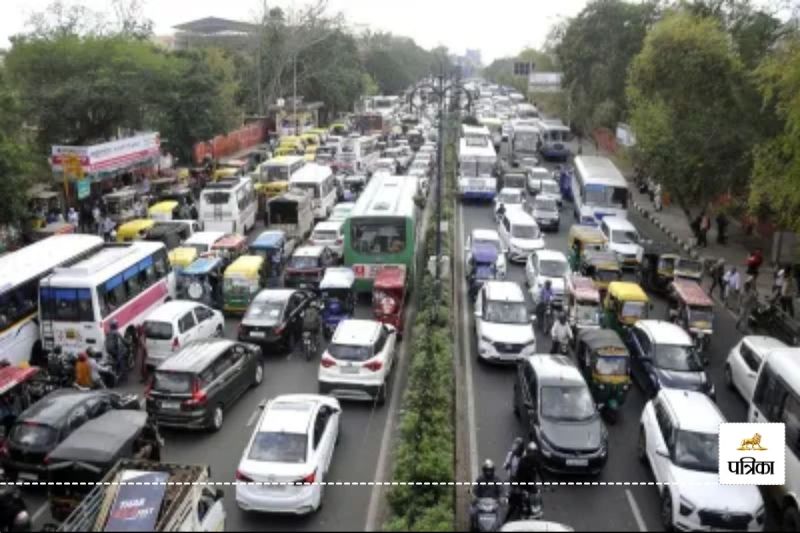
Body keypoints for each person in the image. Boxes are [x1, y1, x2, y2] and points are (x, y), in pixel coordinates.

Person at [471, 459, 505, 529]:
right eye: (487, 470)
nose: (488, 472)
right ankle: (474, 528)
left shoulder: (497, 479)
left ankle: (499, 528)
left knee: (501, 514)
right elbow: (475, 490)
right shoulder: (480, 479)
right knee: (472, 512)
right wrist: (474, 497)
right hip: (481, 504)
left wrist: (501, 498)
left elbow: (501, 490)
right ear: (484, 470)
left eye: (490, 470)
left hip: (494, 505)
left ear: (493, 470)